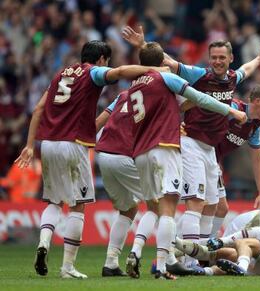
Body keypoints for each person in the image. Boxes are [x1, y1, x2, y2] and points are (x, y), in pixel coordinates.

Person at [121, 26, 260, 267]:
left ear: (230, 59)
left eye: (222, 57)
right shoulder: (200, 75)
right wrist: (143, 45)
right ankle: (186, 260)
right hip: (191, 143)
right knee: (196, 202)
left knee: (214, 206)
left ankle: (197, 255)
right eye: (214, 57)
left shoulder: (233, 80)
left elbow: (246, 69)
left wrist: (258, 58)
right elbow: (169, 62)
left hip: (210, 151)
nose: (217, 61)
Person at [14, 40, 167, 279]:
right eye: (107, 61)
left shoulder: (60, 75)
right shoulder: (92, 72)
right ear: (102, 59)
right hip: (73, 144)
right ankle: (67, 267)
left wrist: (29, 145)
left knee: (53, 201)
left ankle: (44, 242)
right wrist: (154, 70)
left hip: (48, 144)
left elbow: (38, 109)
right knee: (78, 205)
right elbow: (119, 73)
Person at [98, 41, 247, 280]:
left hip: (140, 152)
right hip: (164, 147)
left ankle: (137, 251)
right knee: (168, 208)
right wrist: (231, 111)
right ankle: (164, 263)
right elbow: (201, 99)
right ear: (161, 63)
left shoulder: (134, 86)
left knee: (152, 207)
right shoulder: (166, 79)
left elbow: (178, 103)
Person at [205, 85, 260, 238]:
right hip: (201, 154)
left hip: (213, 161)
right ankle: (179, 250)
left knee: (221, 209)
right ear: (257, 101)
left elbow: (258, 159)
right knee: (204, 206)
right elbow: (206, 110)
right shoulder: (233, 108)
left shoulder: (254, 127)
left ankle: (205, 246)